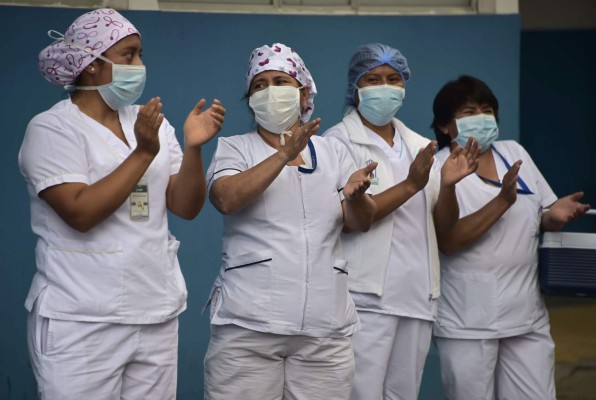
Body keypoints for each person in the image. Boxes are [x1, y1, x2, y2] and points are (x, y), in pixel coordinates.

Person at [19, 9, 225, 399]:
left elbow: (186, 206)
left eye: (141, 54)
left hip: (155, 314)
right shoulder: (51, 129)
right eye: (128, 55)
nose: (140, 65)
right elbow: (79, 213)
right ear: (91, 65)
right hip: (80, 321)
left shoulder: (152, 123)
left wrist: (195, 149)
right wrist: (143, 154)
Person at [203, 42, 377, 400]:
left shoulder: (333, 151)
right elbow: (226, 198)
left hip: (323, 333)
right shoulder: (236, 148)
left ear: (303, 95)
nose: (270, 92)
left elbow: (361, 222)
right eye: (259, 85)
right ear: (249, 99)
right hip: (248, 330)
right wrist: (285, 154)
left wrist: (357, 198)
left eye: (281, 81)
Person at [323, 43, 479, 400]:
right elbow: (348, 220)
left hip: (417, 294)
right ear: (356, 88)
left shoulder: (419, 145)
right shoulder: (338, 141)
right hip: (365, 298)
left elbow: (442, 225)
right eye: (373, 79)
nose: (385, 86)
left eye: (393, 79)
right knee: (360, 393)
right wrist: (411, 185)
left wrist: (449, 186)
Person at [430, 75, 590, 400]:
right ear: (446, 126)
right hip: (468, 321)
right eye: (468, 111)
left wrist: (554, 216)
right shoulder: (437, 169)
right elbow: (449, 240)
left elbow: (540, 216)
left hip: (526, 317)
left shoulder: (512, 152)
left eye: (487, 109)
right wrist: (502, 200)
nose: (481, 116)